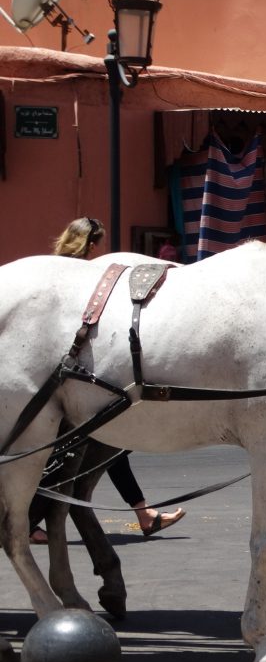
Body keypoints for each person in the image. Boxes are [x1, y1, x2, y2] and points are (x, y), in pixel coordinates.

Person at [32, 217, 187, 539]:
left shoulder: (63, 270)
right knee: (104, 442)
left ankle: (143, 513)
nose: (97, 250)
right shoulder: (76, 276)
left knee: (111, 442)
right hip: (70, 378)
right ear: (87, 244)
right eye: (95, 244)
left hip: (71, 375)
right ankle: (30, 522)